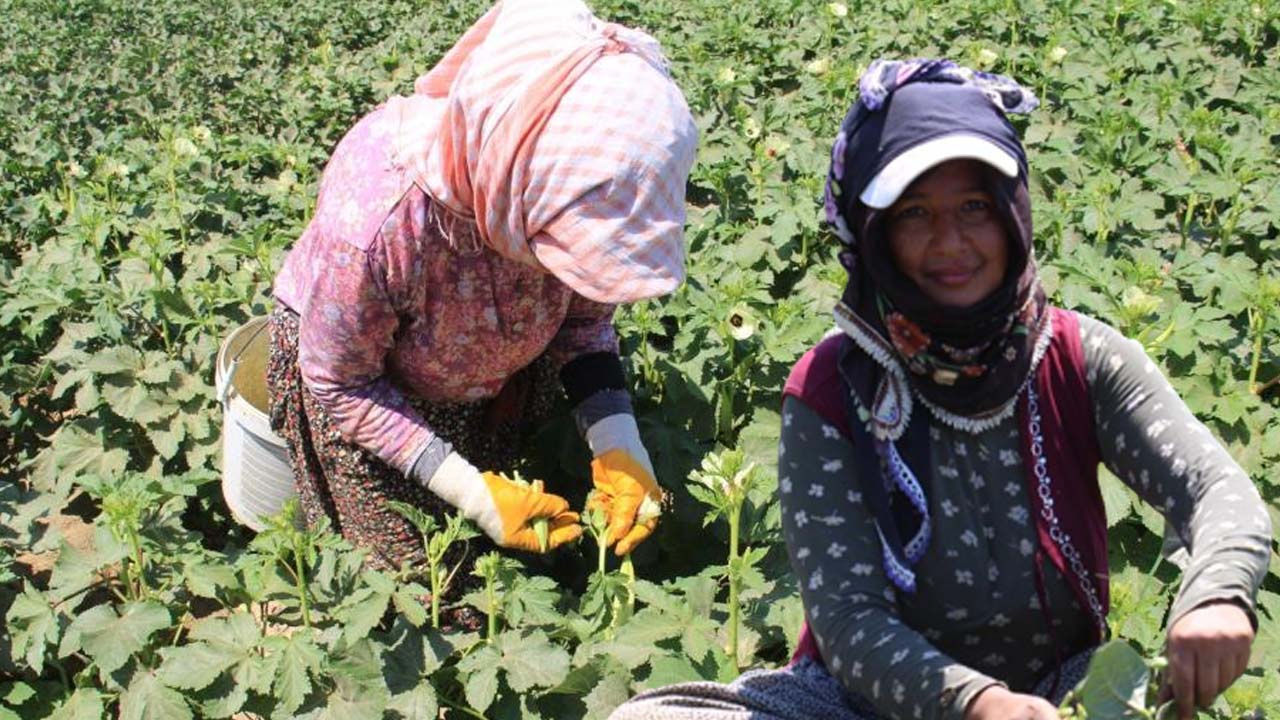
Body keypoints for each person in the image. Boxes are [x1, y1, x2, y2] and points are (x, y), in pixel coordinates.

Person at [608, 60, 1270, 720]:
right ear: (875, 234)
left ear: (1012, 211)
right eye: (914, 214)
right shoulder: (831, 388)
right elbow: (846, 621)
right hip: (860, 705)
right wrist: (975, 704)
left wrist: (1216, 593)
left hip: (1056, 695)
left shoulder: (1079, 356)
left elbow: (1216, 489)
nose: (950, 242)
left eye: (974, 207)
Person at [264, 0, 697, 601]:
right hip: (368, 396)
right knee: (427, 589)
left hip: (483, 379)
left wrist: (618, 442)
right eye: (559, 247)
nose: (565, 267)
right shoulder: (376, 228)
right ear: (511, 183)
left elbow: (583, 327)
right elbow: (341, 383)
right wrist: (471, 492)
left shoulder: (553, 185)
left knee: (495, 537)